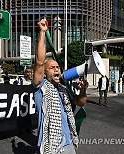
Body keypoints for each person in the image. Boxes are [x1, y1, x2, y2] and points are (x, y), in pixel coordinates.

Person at [33, 19, 88, 154]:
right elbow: (40, 62)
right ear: (44, 73)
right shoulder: (41, 87)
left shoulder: (63, 89)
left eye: (57, 67)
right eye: (52, 68)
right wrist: (42, 32)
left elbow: (80, 102)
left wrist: (83, 89)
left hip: (68, 141)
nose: (57, 70)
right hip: (51, 146)